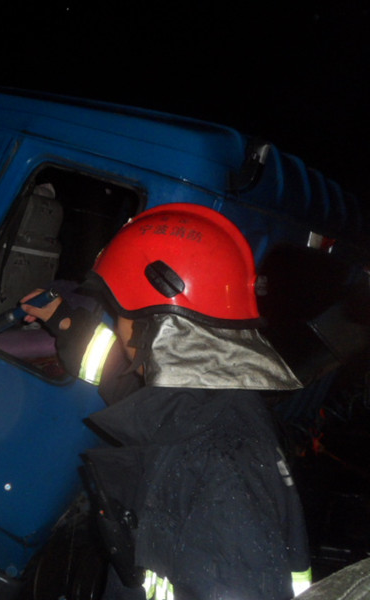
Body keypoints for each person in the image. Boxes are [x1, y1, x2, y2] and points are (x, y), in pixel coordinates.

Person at [21, 203, 312, 600]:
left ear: (156, 325)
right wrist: (63, 321)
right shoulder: (206, 401)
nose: (114, 322)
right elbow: (121, 379)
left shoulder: (219, 465)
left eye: (118, 311)